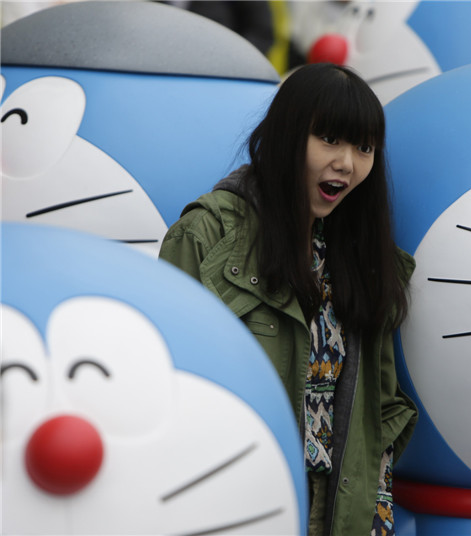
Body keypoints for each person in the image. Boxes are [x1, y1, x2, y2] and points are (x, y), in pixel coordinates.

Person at [159, 63, 418, 536]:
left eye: (364, 148)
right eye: (329, 140)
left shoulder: (362, 256)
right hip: (242, 504)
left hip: (336, 512)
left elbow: (379, 416)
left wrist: (377, 520)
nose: (347, 163)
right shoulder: (208, 235)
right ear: (286, 135)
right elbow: (165, 392)